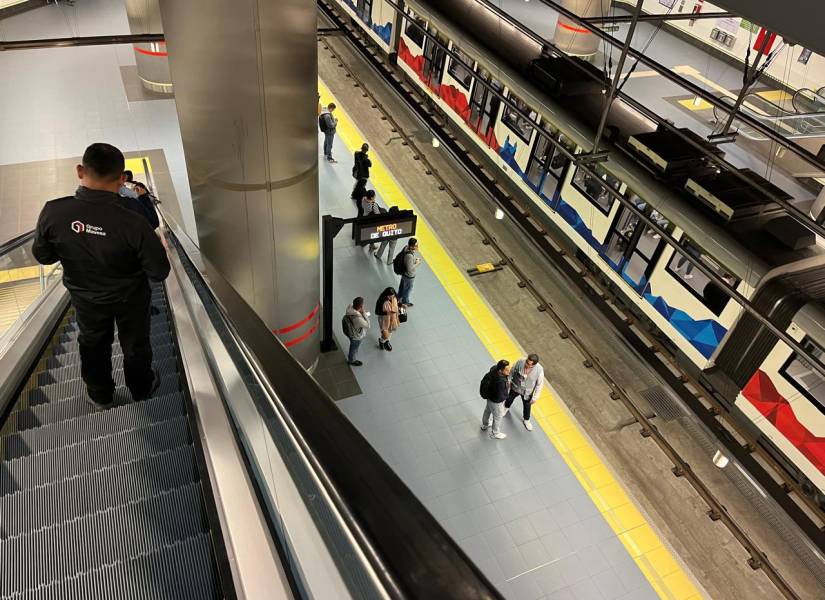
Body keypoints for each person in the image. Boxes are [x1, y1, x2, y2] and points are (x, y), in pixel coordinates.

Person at [32, 143, 171, 409]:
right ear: (121, 179)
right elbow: (159, 271)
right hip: (131, 298)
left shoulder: (54, 211)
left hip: (86, 298)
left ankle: (100, 395)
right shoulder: (133, 220)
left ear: (80, 170)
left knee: (93, 343)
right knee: (135, 344)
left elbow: (44, 256)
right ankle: (142, 389)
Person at [503, 353, 544, 431]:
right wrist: (509, 380)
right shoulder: (520, 361)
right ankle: (505, 408)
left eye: (529, 364)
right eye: (526, 362)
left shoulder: (539, 370)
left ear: (534, 365)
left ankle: (526, 420)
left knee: (527, 406)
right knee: (509, 398)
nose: (526, 365)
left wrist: (535, 397)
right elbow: (512, 370)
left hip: (527, 392)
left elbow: (539, 385)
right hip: (516, 387)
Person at [481, 360, 511, 440]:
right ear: (501, 370)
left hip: (489, 397)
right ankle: (495, 433)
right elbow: (501, 395)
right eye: (507, 370)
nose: (509, 371)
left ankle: (485, 424)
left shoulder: (494, 370)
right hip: (496, 401)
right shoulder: (500, 382)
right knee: (498, 416)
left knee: (487, 410)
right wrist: (506, 396)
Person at [343, 297, 370, 366]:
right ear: (361, 306)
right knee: (354, 348)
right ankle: (352, 360)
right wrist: (364, 313)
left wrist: (360, 312)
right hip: (356, 336)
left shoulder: (350, 307)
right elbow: (368, 325)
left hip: (349, 331)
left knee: (352, 345)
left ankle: (351, 355)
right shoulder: (357, 319)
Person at [397, 238, 420, 308]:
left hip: (404, 274)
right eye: (416, 245)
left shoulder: (406, 248)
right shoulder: (409, 256)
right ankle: (405, 302)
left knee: (401, 287)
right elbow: (409, 269)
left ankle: (398, 298)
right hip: (409, 276)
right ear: (412, 246)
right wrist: (417, 263)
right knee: (407, 290)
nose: (417, 246)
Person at [374, 287, 399, 351]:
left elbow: (397, 304)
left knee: (390, 330)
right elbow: (377, 312)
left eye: (392, 296)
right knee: (385, 332)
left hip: (392, 318)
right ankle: (382, 340)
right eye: (389, 296)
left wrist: (401, 305)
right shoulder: (381, 301)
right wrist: (386, 312)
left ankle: (386, 341)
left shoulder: (394, 298)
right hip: (383, 319)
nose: (390, 297)